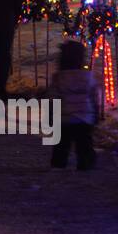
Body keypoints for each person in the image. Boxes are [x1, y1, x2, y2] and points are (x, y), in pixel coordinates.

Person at [50, 40, 101, 170]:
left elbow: (53, 98)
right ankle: (85, 163)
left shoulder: (59, 78)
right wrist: (95, 112)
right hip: (84, 117)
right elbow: (94, 96)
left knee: (62, 143)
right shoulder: (87, 77)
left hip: (65, 117)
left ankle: (58, 163)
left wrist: (51, 115)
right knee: (84, 143)